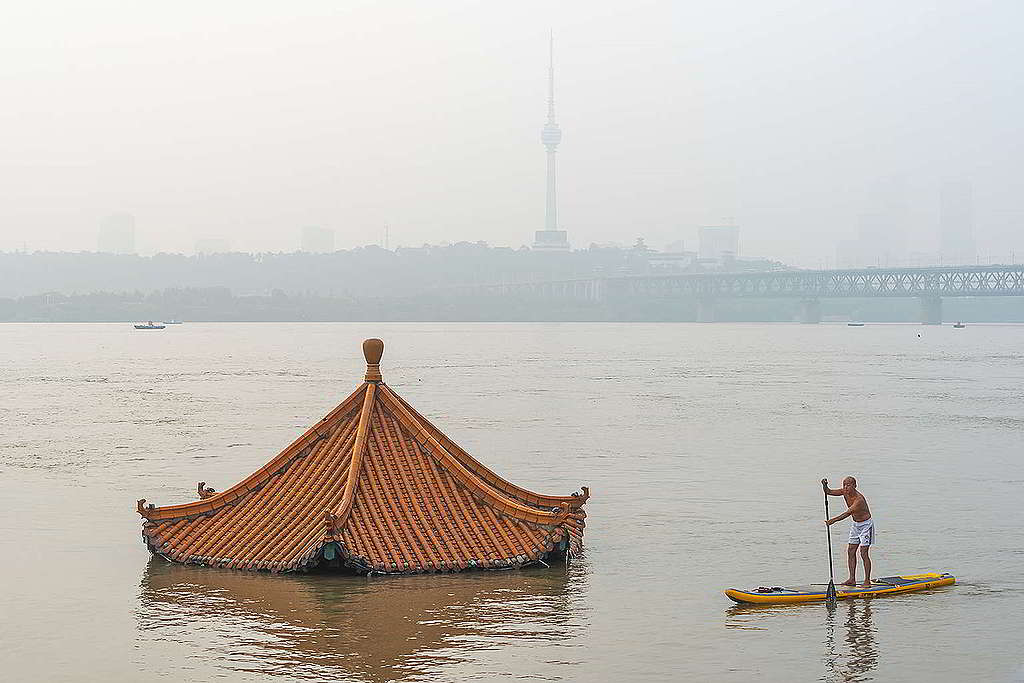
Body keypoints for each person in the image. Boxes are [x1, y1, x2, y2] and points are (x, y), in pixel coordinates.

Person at [821, 476, 874, 587]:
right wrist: (824, 485)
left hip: (866, 525)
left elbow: (847, 513)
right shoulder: (844, 492)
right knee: (850, 551)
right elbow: (828, 492)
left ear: (855, 486)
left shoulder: (859, 500)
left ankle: (867, 581)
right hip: (855, 525)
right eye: (844, 485)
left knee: (863, 553)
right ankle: (852, 579)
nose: (846, 487)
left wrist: (832, 521)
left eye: (848, 485)